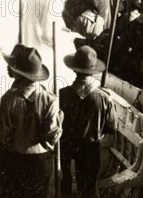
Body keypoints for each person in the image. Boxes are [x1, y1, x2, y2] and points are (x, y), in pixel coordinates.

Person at [0, 45, 63, 198]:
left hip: (15, 160)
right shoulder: (50, 100)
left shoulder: (8, 99)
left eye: (11, 65)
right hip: (40, 162)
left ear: (19, 73)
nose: (7, 68)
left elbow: (2, 136)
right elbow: (52, 137)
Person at [60, 46, 116, 197]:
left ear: (74, 70)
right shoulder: (104, 97)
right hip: (90, 150)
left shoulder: (63, 95)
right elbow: (111, 129)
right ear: (93, 72)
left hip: (66, 149)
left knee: (64, 186)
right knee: (89, 190)